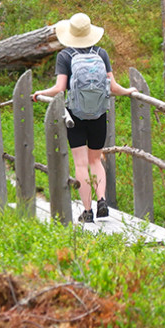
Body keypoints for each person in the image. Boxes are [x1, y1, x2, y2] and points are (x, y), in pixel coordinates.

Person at [31, 12, 136, 223]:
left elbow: (60, 88)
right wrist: (129, 91)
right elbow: (113, 87)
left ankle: (87, 211)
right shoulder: (101, 53)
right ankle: (102, 200)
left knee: (80, 164)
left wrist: (39, 94)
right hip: (98, 114)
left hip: (75, 116)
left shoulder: (65, 56)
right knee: (96, 159)